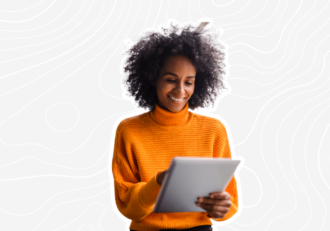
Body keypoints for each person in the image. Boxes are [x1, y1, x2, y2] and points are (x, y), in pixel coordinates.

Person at [112, 21, 238, 231]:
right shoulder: (129, 130)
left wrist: (222, 208)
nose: (180, 90)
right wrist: (159, 182)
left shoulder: (213, 130)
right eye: (171, 79)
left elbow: (230, 200)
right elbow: (127, 205)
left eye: (189, 82)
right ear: (153, 78)